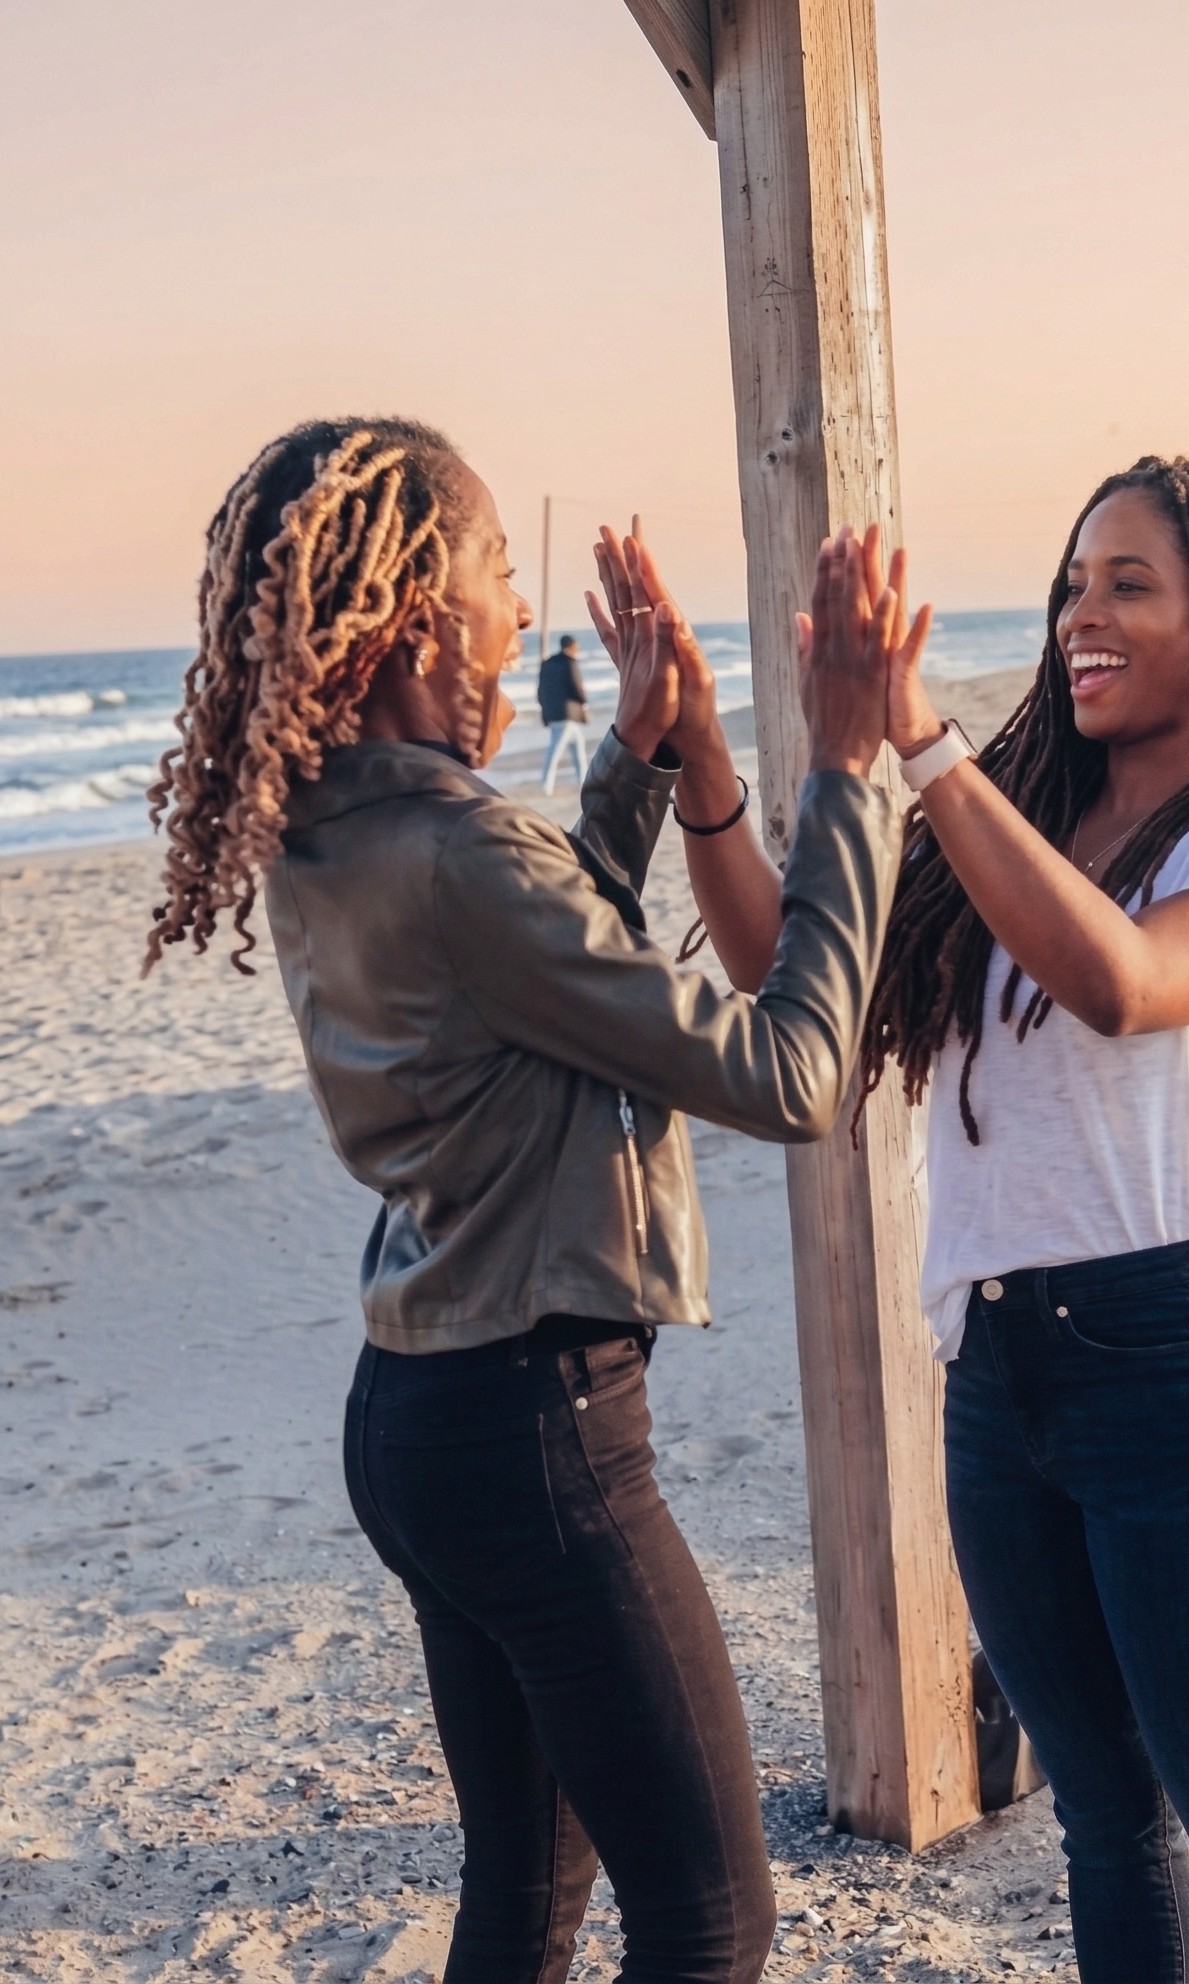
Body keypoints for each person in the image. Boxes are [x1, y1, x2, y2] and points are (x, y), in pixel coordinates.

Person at [143, 415, 920, 1984]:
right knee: (710, 1924)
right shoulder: (460, 849)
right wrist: (846, 777)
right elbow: (790, 1076)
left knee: (525, 1897)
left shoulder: (337, 824)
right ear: (427, 610)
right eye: (502, 569)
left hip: (421, 1415)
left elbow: (539, 974)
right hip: (536, 1435)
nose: (523, 607)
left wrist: (642, 760)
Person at [677, 458, 1189, 1984]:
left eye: (1128, 584)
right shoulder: (1008, 828)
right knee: (1104, 1817)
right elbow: (775, 966)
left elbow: (1126, 985)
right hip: (1000, 1381)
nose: (1082, 615)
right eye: (1074, 583)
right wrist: (703, 766)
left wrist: (927, 743)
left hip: (1188, 1371)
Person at [538, 633, 590, 792]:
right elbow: (576, 686)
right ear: (571, 646)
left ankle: (584, 783)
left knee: (578, 752)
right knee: (555, 751)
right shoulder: (570, 663)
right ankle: (546, 786)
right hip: (569, 714)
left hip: (555, 713)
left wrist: (545, 711)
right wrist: (584, 701)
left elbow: (541, 690)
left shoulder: (547, 663)